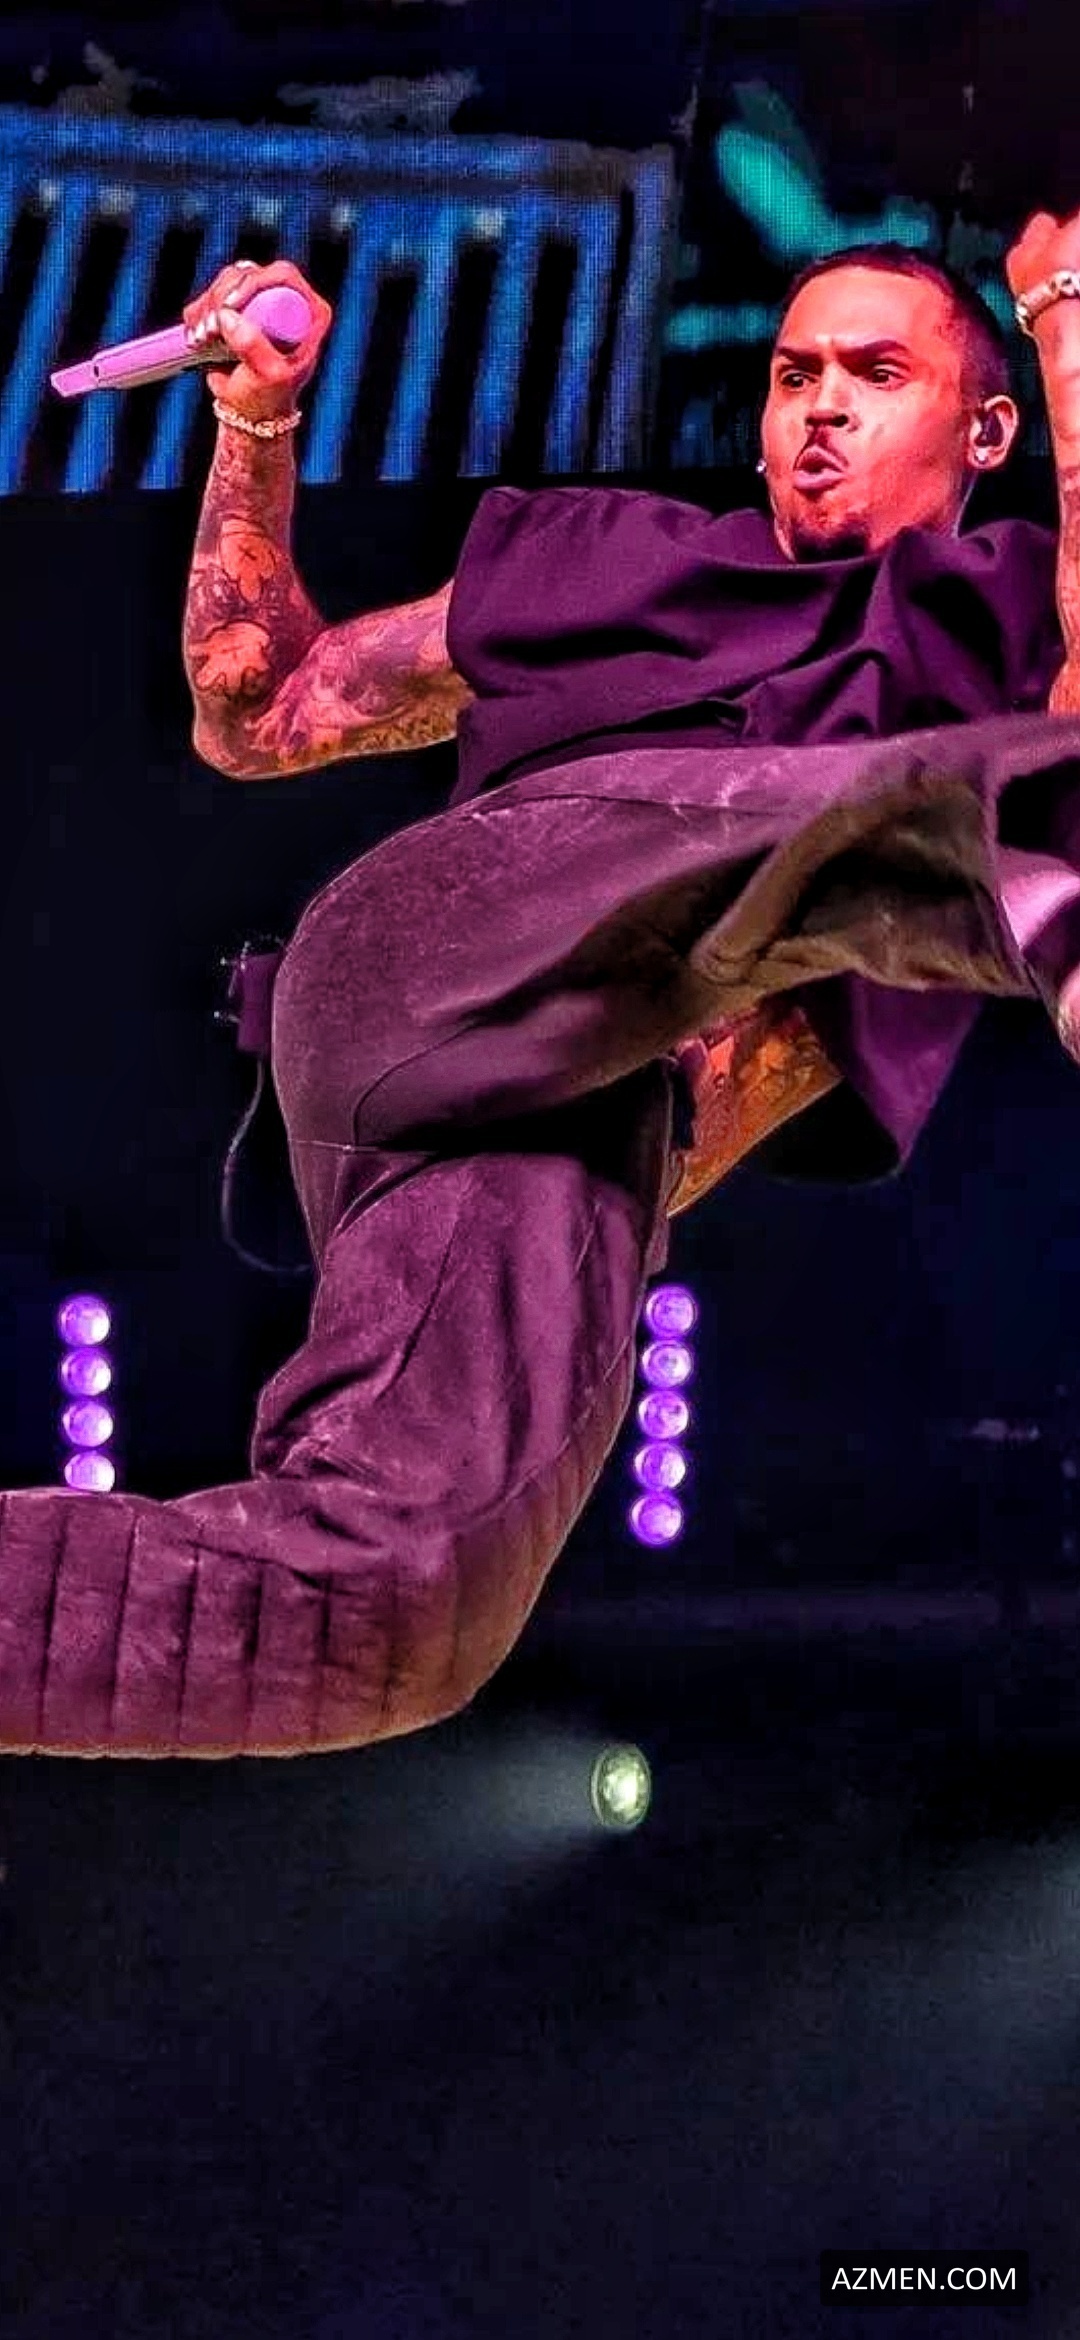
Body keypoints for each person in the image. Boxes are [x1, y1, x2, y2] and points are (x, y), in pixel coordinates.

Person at [3, 215, 1080, 1760]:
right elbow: (261, 706)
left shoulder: (1000, 613)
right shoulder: (626, 563)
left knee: (390, 1612)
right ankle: (1028, 892)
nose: (821, 409)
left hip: (564, 1131)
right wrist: (256, 423)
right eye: (794, 375)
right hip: (427, 970)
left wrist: (1066, 353)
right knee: (872, 817)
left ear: (983, 432)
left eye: (875, 374)